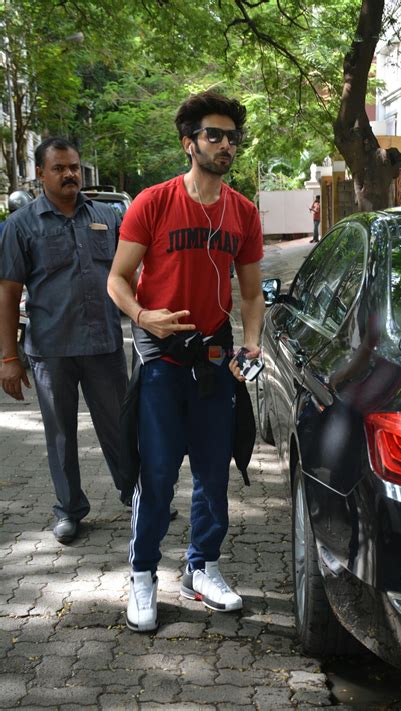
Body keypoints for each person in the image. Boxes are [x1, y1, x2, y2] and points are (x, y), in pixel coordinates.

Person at [107, 90, 265, 632]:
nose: (226, 145)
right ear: (189, 143)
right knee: (155, 474)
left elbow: (251, 294)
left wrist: (252, 343)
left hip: (215, 358)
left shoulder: (242, 212)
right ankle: (144, 573)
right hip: (160, 360)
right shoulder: (152, 202)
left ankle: (202, 567)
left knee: (212, 473)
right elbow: (117, 279)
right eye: (214, 135)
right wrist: (142, 316)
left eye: (232, 138)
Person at [0, 137, 128, 544]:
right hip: (51, 350)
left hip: (105, 344)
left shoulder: (108, 216)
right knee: (60, 435)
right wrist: (8, 357)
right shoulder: (21, 226)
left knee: (122, 427)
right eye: (59, 168)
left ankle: (136, 494)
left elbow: (131, 275)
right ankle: (69, 509)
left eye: (73, 166)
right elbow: (6, 292)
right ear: (40, 174)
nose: (69, 174)